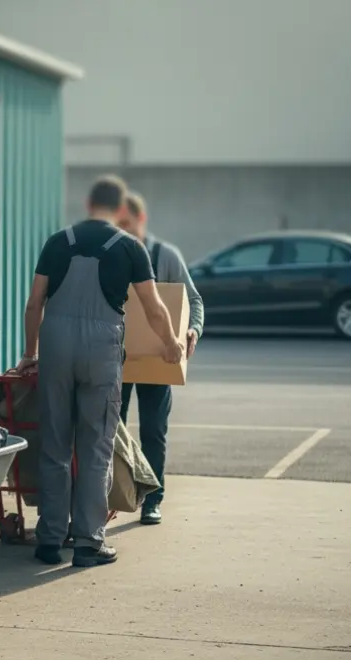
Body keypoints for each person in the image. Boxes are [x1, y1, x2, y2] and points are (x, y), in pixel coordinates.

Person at [16, 175, 183, 567]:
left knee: (55, 443)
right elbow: (154, 308)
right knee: (95, 446)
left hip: (56, 346)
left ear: (89, 204)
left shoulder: (58, 242)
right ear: (122, 210)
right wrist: (172, 343)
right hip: (101, 349)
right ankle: (89, 543)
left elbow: (34, 303)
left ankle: (50, 539)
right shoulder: (130, 247)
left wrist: (29, 351)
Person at [116, 191, 205, 525]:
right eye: (117, 223)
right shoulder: (111, 253)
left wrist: (192, 331)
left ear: (141, 220)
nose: (121, 228)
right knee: (114, 428)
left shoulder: (164, 255)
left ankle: (153, 499)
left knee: (153, 430)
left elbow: (193, 300)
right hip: (116, 357)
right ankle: (118, 494)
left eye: (126, 223)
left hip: (158, 357)